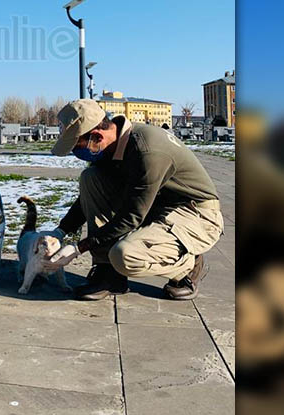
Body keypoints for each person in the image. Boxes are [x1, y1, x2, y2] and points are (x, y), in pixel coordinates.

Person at [44, 99, 224, 300]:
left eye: (76, 147)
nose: (76, 154)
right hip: (153, 207)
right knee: (91, 178)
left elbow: (131, 217)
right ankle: (107, 273)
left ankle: (188, 267)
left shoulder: (147, 150)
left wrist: (79, 248)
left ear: (96, 136)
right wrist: (60, 231)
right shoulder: (113, 146)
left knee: (124, 255)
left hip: (195, 213)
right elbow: (89, 198)